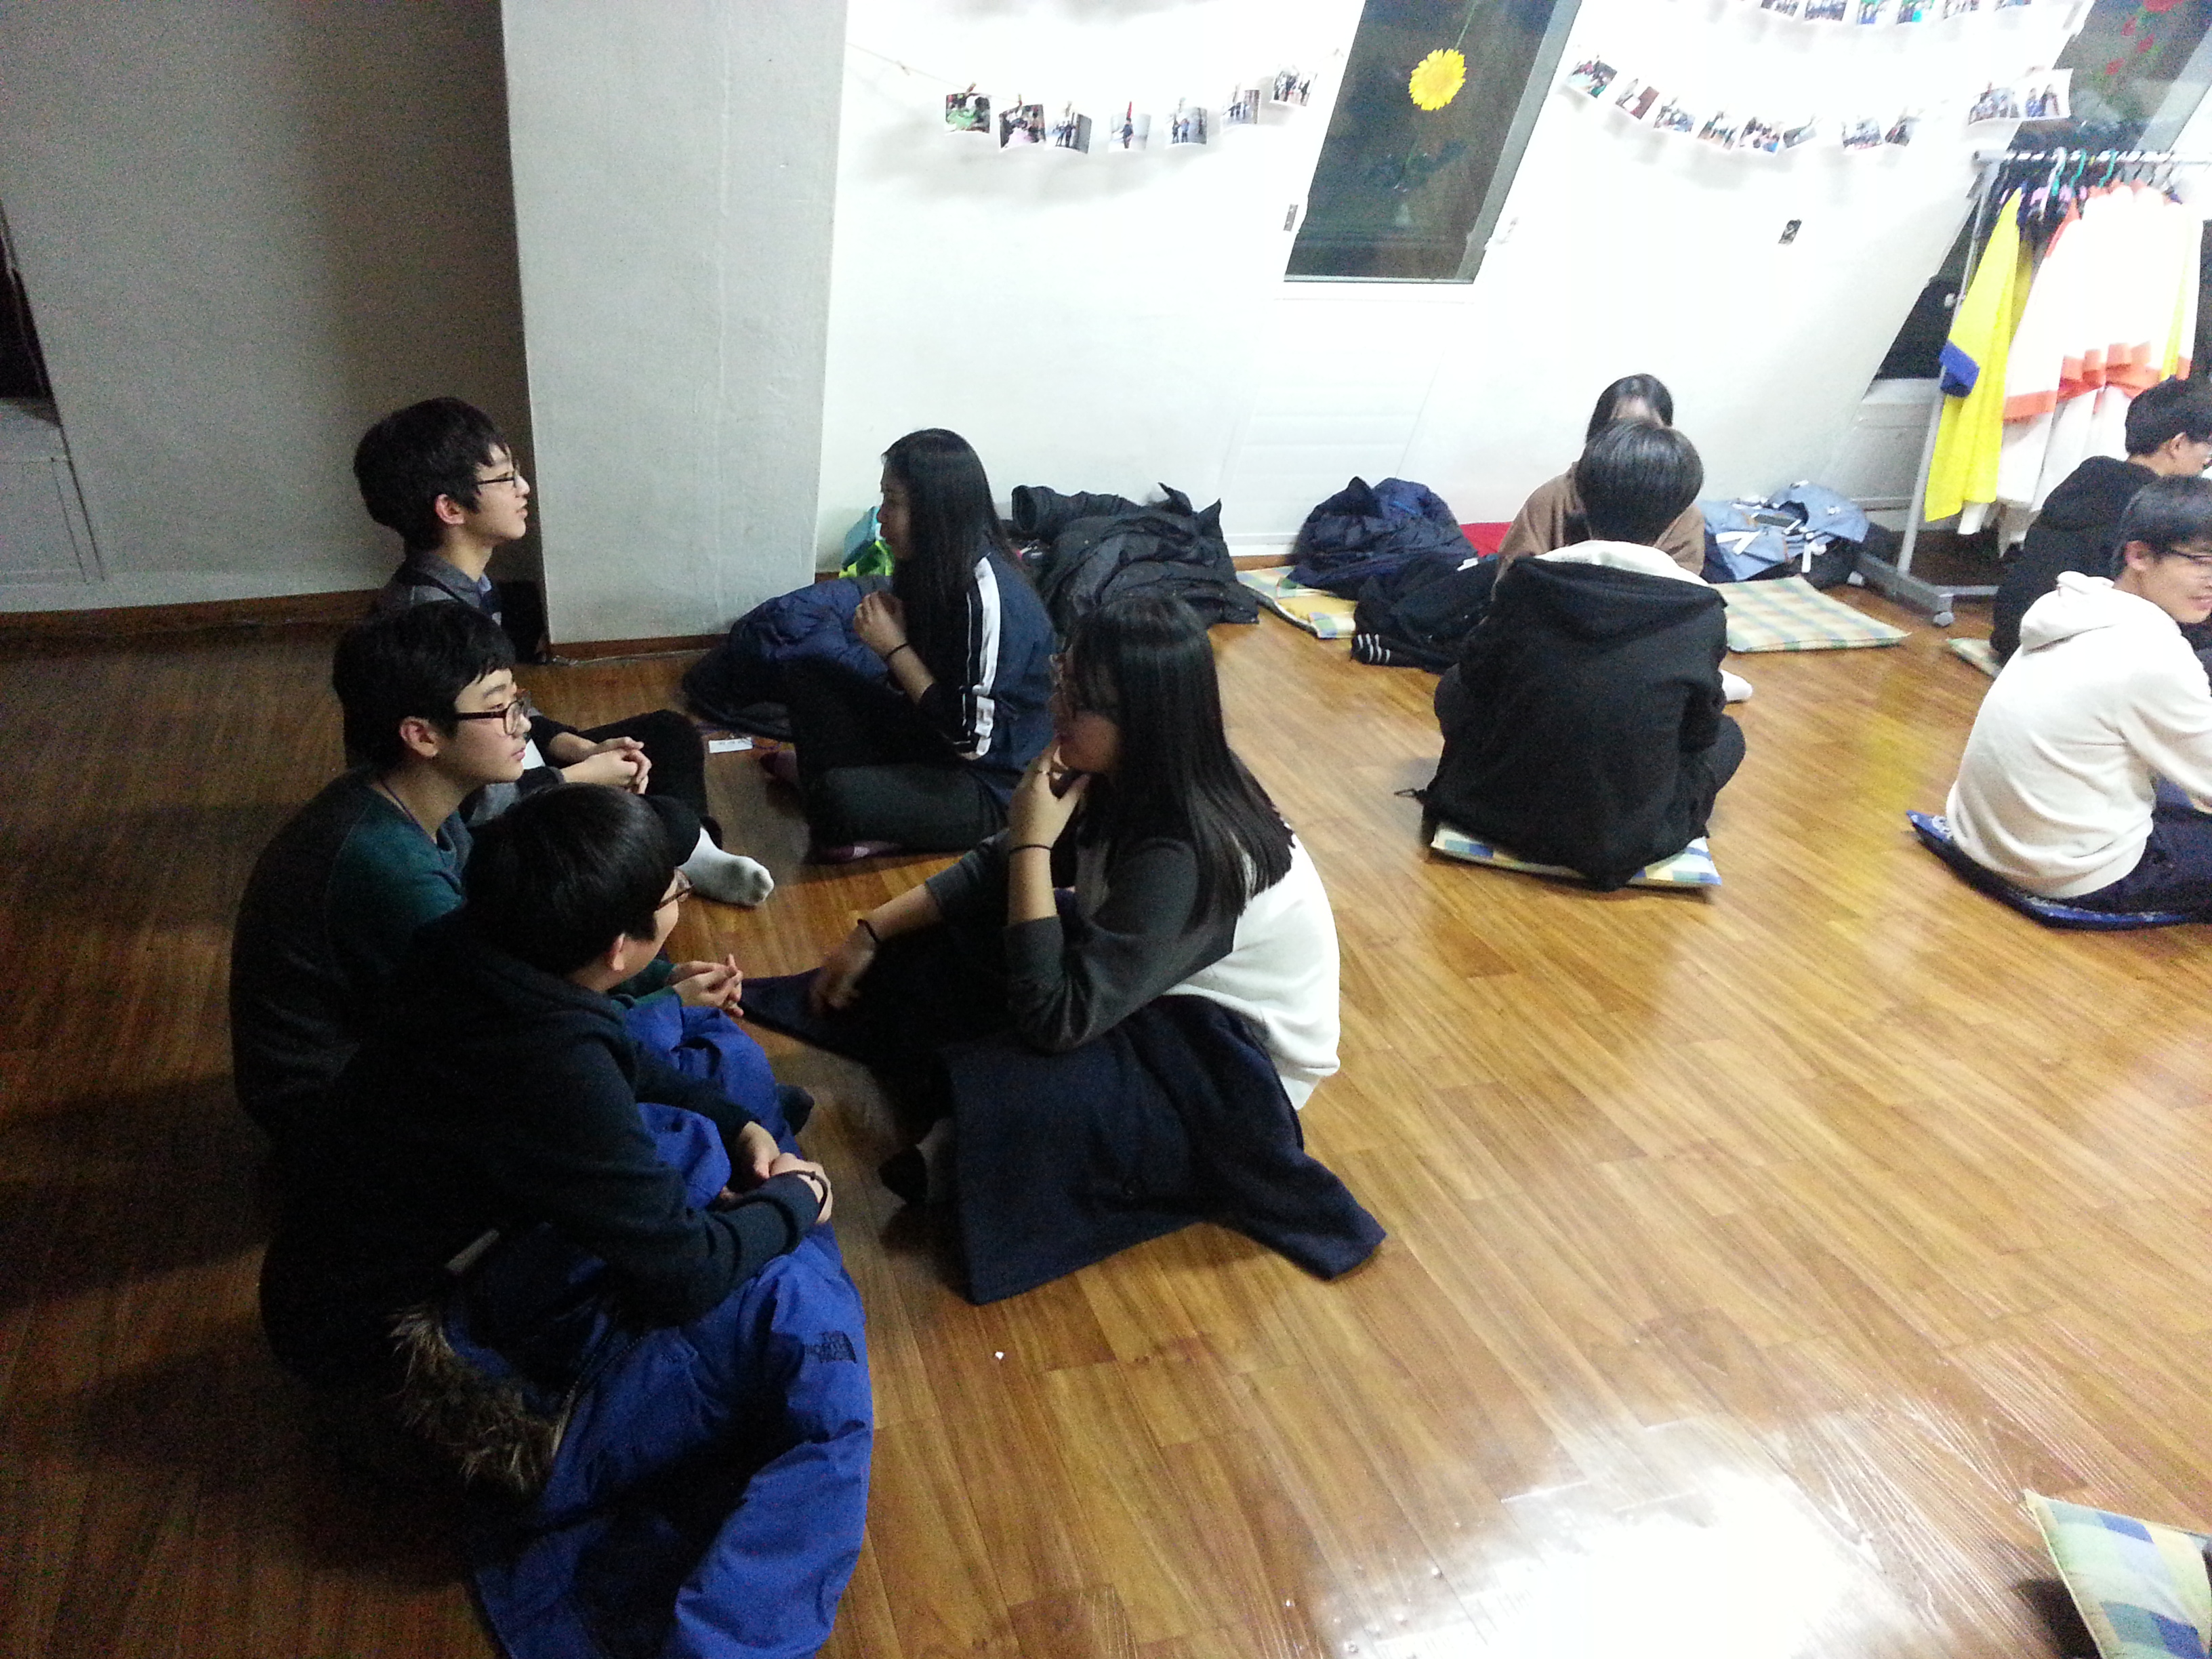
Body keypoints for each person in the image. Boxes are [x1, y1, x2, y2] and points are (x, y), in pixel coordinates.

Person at [258, 785, 868, 1658]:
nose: (681, 898)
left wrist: (735, 1121)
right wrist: (795, 1203)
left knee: (694, 1125)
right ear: (621, 947)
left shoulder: (467, 950)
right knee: (765, 1314)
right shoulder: (544, 1062)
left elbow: (609, 1055)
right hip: (390, 1373)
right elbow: (686, 1272)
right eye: (674, 892)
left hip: (323, 1289)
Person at [742, 596, 1379, 1303]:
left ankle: (969, 1143)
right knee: (953, 934)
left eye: (1080, 701)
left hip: (1229, 1066)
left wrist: (1034, 843)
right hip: (1155, 994)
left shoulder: (1187, 851)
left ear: (1143, 719)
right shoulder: (1127, 771)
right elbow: (994, 869)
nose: (1057, 708)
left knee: (1034, 1067)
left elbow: (1055, 1021)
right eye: (1062, 681)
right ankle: (970, 1116)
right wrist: (871, 932)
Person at [230, 605, 767, 1150]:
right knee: (669, 1119)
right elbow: (517, 1026)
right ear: (422, 735)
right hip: (341, 1115)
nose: (524, 724)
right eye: (499, 709)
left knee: (688, 1062)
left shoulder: (418, 801)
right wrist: (664, 1004)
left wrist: (656, 979)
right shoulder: (389, 869)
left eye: (518, 702)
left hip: (410, 1043)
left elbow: (508, 947)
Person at [352, 396, 769, 904]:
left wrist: (580, 749)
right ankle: (673, 852)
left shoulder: (465, 586)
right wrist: (578, 778)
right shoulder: (429, 623)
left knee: (668, 734)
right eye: (505, 477)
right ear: (451, 508)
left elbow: (503, 714)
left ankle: (681, 856)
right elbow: (478, 802)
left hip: (501, 763)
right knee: (665, 817)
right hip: (479, 827)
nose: (523, 488)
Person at [1423, 420, 1744, 891]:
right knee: (1730, 737)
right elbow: (1699, 735)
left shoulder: (1527, 581)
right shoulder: (1701, 610)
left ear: (1581, 497)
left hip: (1489, 809)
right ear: (1678, 514)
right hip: (1621, 839)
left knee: (1453, 685)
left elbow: (1475, 679)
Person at [765, 428, 1054, 861]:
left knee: (835, 800)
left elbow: (971, 742)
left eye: (893, 501)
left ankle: (857, 810)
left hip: (993, 782)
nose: (881, 516)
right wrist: (899, 645)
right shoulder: (923, 564)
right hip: (936, 738)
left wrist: (896, 649)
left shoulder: (988, 599)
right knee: (805, 670)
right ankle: (853, 801)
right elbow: (914, 692)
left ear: (935, 510)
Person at [1946, 476, 2212, 915]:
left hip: (1981, 838)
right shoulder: (2154, 655)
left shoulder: (2073, 605)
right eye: (2201, 561)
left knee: (2174, 790)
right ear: (2139, 555)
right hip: (2072, 872)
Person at [1989, 377, 2212, 661]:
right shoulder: (2159, 510)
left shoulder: (2091, 475)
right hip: (2075, 649)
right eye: (2208, 449)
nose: (2206, 462)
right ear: (2177, 445)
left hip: (2015, 630)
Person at [1498, 373, 1708, 574]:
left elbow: (1682, 586)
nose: (1629, 442)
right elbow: (1513, 577)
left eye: (1644, 428)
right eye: (1620, 428)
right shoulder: (1551, 499)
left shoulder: (1683, 514)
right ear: (1596, 433)